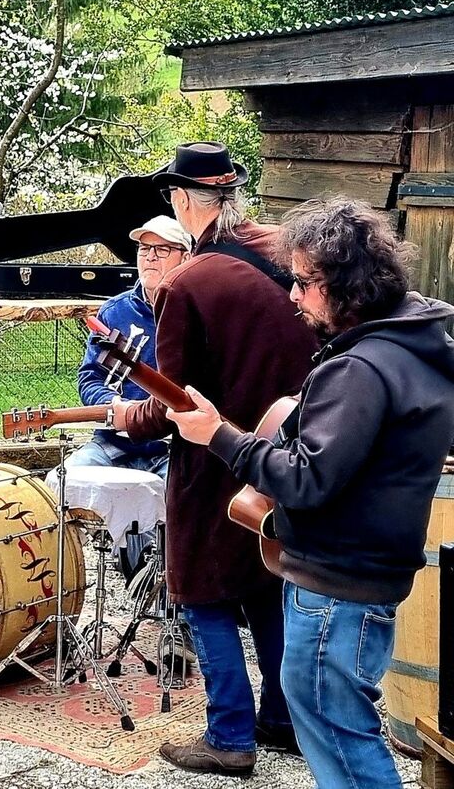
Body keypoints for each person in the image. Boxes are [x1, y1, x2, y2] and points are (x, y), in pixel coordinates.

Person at [165, 198, 454, 789]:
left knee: (342, 741)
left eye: (303, 282)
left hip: (336, 588)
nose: (292, 295)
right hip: (366, 578)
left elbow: (305, 479)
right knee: (340, 728)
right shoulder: (416, 346)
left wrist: (219, 435)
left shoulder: (361, 369)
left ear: (347, 285)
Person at [110, 142, 320, 776]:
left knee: (202, 594)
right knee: (266, 582)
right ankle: (283, 720)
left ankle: (229, 736)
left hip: (211, 464)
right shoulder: (285, 256)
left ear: (181, 199)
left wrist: (126, 415)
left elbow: (178, 401)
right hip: (285, 451)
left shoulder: (189, 282)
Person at [71, 214, 190, 580]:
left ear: (186, 256)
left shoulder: (194, 311)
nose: (149, 257)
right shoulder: (115, 311)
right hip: (112, 444)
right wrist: (114, 407)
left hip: (171, 449)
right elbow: (90, 376)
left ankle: (164, 585)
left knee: (184, 505)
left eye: (162, 249)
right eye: (143, 249)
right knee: (63, 483)